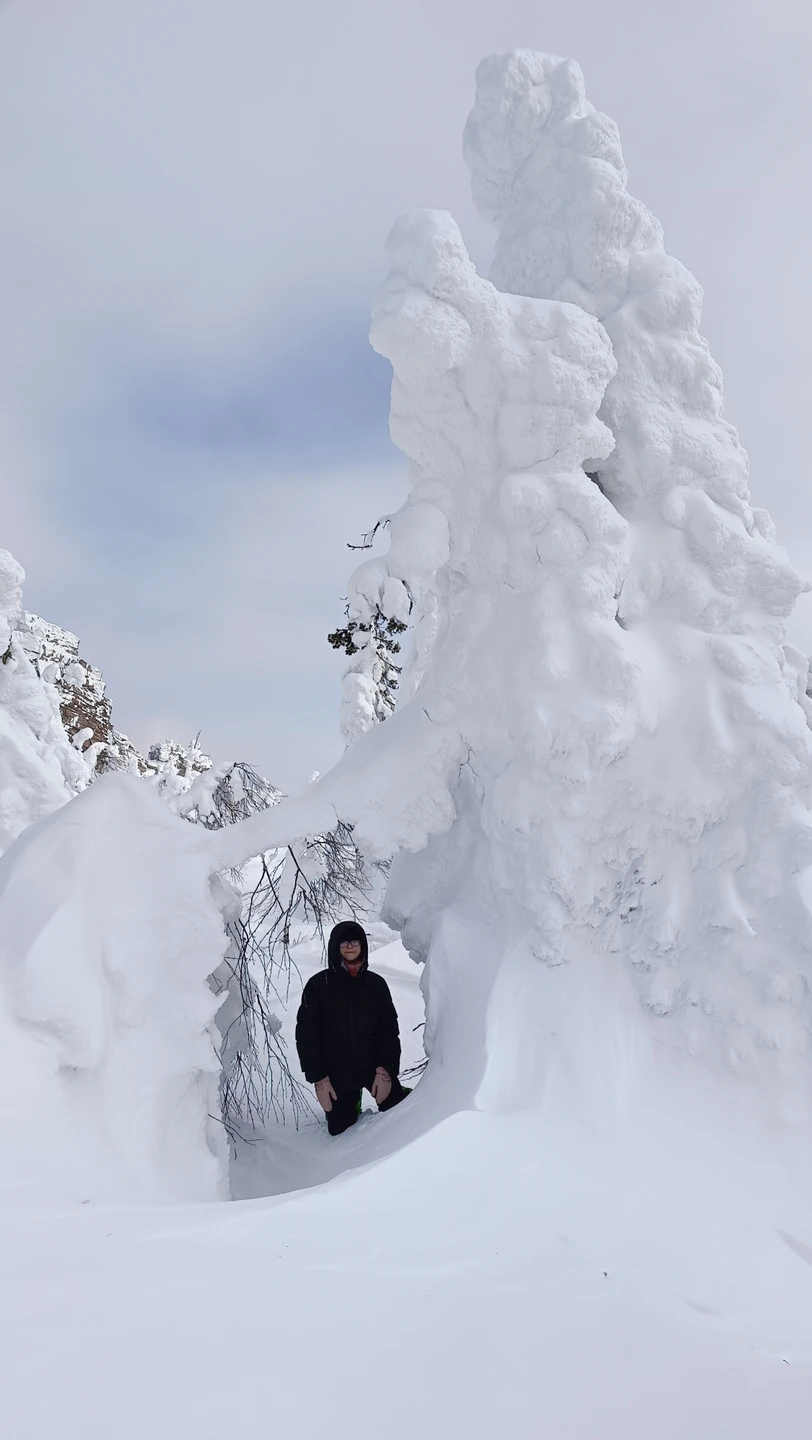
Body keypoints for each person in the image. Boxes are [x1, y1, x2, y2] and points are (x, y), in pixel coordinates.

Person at [295, 919, 409, 1136]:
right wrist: (319, 1079)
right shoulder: (318, 986)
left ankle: (395, 1088)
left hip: (373, 1067)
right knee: (339, 1126)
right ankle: (351, 1098)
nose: (349, 946)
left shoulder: (376, 984)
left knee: (397, 1107)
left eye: (355, 941)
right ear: (335, 946)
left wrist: (386, 1070)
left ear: (362, 945)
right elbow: (307, 1035)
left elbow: (388, 1031)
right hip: (336, 1072)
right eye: (344, 942)